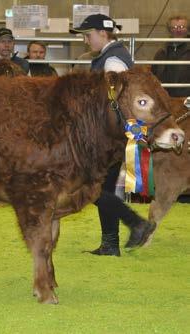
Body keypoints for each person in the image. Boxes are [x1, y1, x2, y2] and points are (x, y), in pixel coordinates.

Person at [70, 13, 155, 256]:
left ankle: (136, 223)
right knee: (103, 188)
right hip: (113, 137)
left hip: (106, 137)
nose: (86, 41)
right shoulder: (112, 56)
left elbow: (112, 102)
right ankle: (111, 243)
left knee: (87, 188)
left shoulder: (112, 61)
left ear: (102, 33)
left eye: (88, 35)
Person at [151, 15, 190, 97]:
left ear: (188, 30)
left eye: (182, 27)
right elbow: (153, 76)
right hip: (165, 99)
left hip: (187, 100)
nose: (178, 30)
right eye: (174, 27)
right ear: (169, 30)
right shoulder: (161, 53)